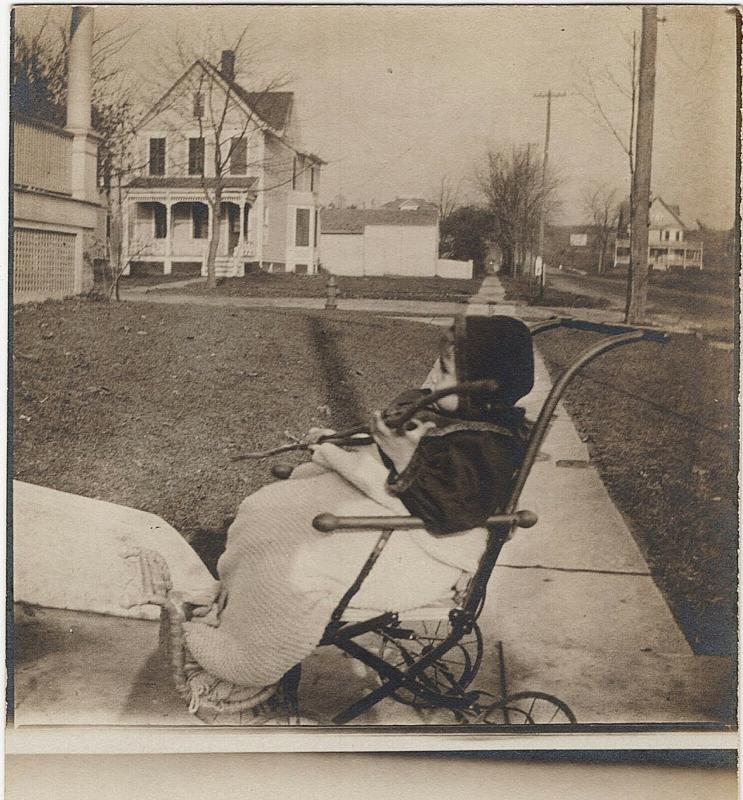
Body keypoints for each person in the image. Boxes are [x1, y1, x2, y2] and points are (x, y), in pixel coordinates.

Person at [177, 315, 534, 712]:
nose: (431, 378)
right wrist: (356, 445)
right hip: (403, 525)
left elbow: (454, 508)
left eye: (445, 370)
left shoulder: (490, 447)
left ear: (482, 386)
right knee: (268, 509)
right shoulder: (462, 421)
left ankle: (247, 658)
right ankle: (239, 613)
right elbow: (401, 462)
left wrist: (403, 455)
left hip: (425, 552)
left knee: (289, 556)